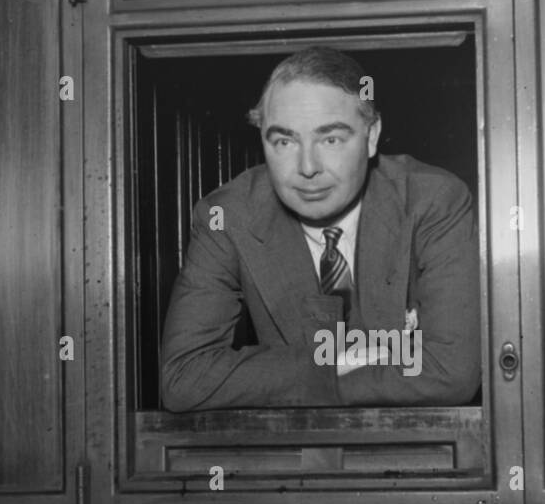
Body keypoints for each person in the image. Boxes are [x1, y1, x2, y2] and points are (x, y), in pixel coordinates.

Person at [159, 46, 481, 411]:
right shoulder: (227, 216)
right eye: (284, 141)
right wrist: (335, 363)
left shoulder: (433, 200)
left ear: (372, 135)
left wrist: (279, 377)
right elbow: (183, 379)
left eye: (331, 139)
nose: (307, 167)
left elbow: (453, 371)